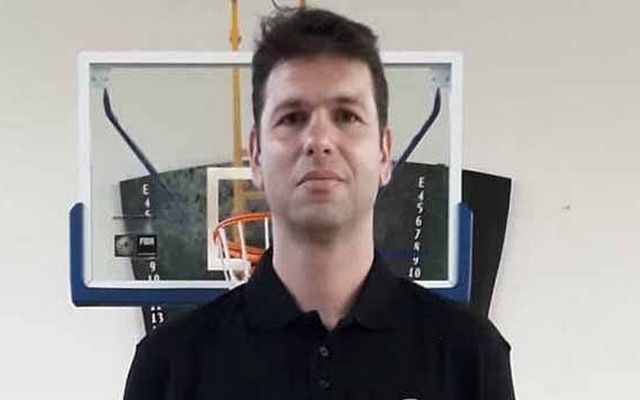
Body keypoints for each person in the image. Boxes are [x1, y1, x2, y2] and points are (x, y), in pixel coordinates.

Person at [124, 7, 515, 399]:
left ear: (384, 153)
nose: (319, 140)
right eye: (293, 117)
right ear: (255, 156)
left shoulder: (471, 355)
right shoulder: (169, 364)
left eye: (346, 116)